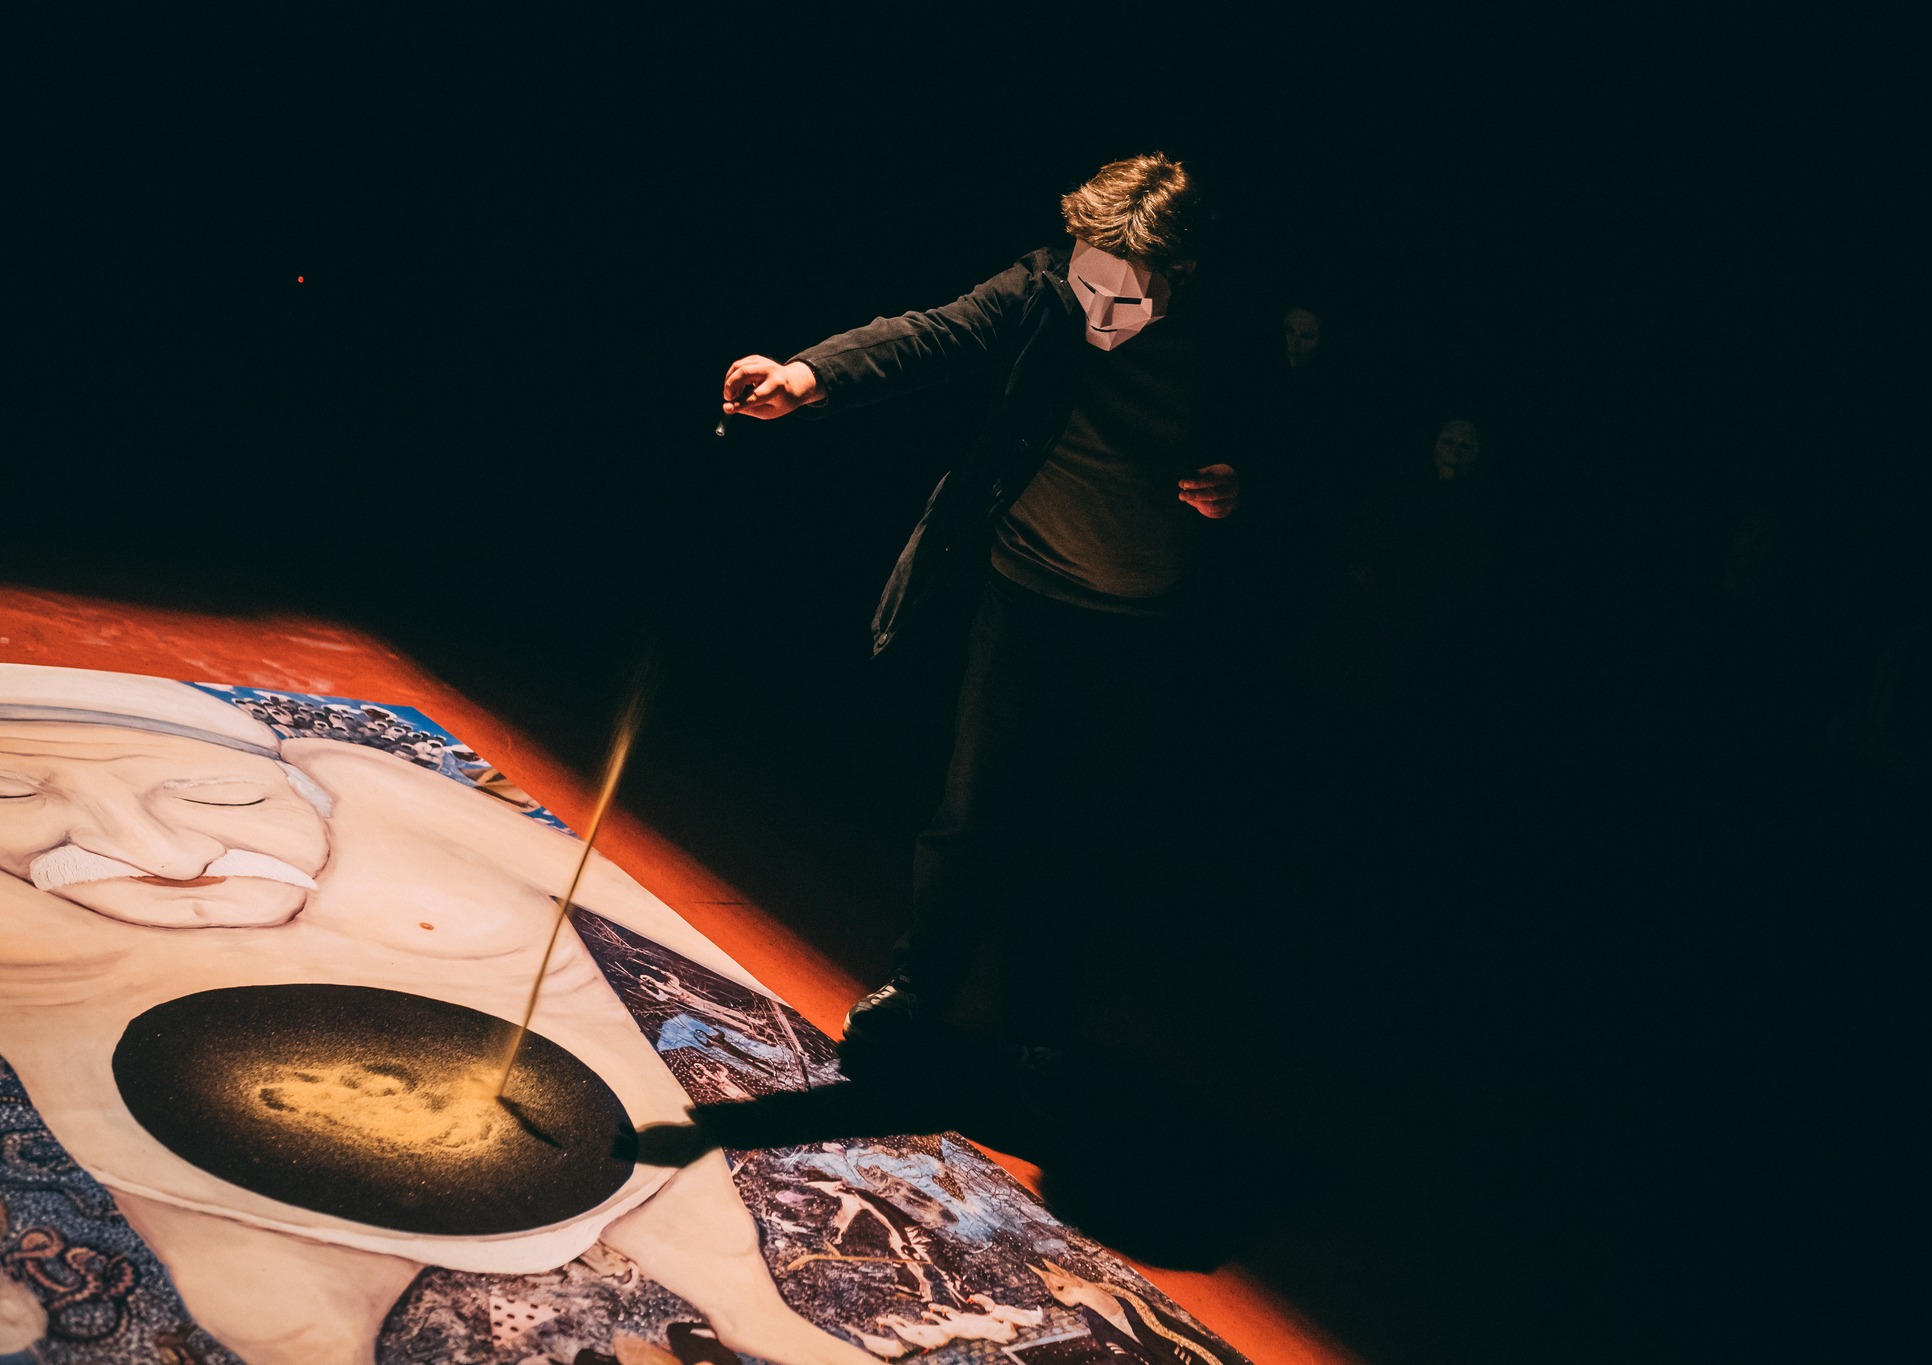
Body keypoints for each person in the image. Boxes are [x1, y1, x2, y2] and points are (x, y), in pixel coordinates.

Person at [0, 663, 873, 1365]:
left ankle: (751, 1309)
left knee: (748, 1294)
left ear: (293, 783)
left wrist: (863, 1019)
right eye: (13, 795)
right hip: (232, 1200)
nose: (162, 853)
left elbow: (639, 897)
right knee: (287, 1324)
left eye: (220, 795)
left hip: (618, 1145)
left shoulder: (366, 787)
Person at [719, 153, 1276, 1075]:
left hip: (1142, 622)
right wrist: (807, 374)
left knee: (1079, 833)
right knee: (971, 810)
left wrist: (1240, 482)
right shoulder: (1044, 285)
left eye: (1127, 299)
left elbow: (1283, 438)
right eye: (1089, 286)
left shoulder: (1233, 336)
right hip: (1028, 592)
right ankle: (919, 989)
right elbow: (935, 332)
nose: (1098, 315)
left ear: (1183, 274)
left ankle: (1039, 1028)